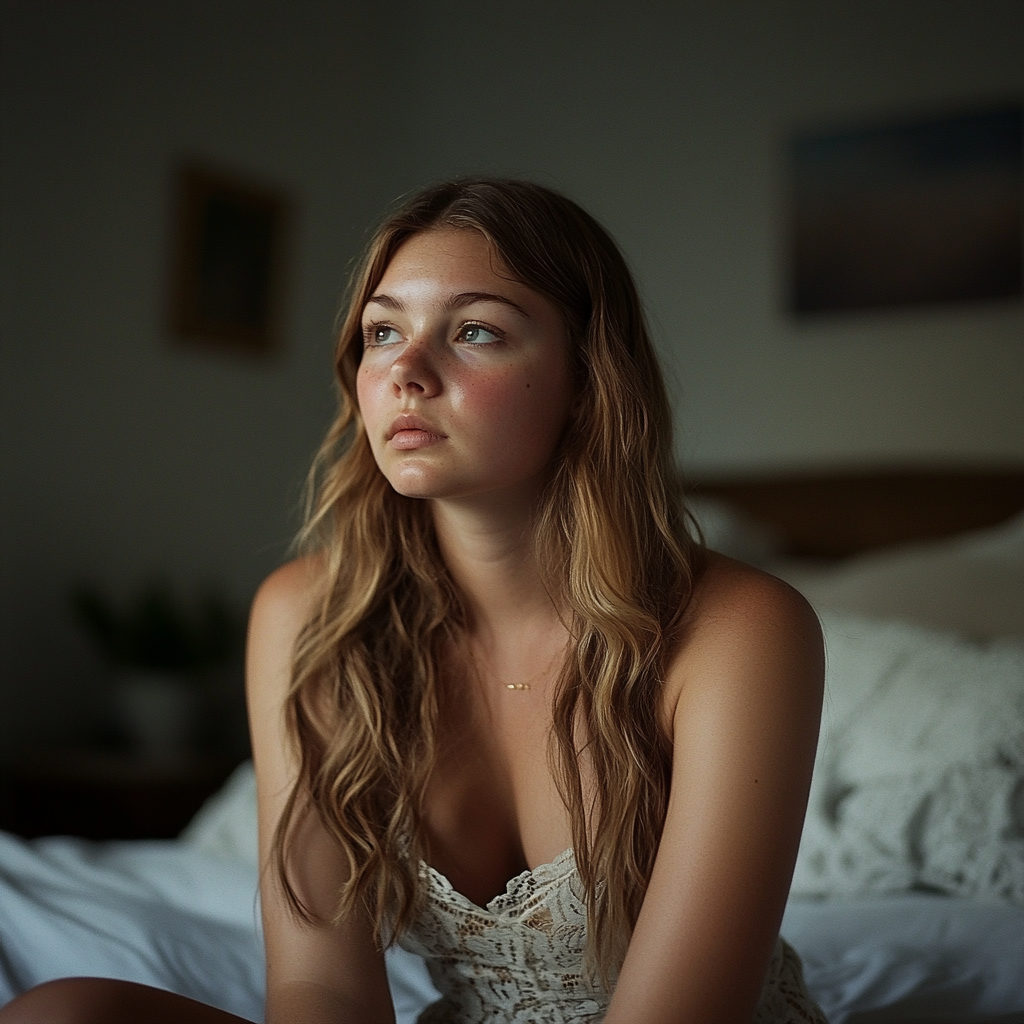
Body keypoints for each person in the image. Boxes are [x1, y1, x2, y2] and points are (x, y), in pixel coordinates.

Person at [0, 179, 827, 1023]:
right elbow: (321, 988)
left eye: (475, 332)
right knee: (60, 1014)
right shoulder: (311, 619)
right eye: (382, 332)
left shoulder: (740, 629)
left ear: (588, 378)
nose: (406, 372)